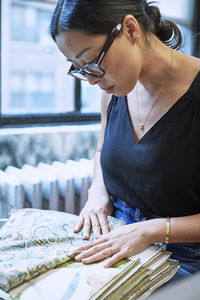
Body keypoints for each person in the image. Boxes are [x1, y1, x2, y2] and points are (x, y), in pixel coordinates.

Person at [50, 0, 200, 283]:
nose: (91, 80)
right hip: (119, 236)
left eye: (92, 62)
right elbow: (101, 150)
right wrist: (98, 193)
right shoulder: (113, 90)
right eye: (78, 69)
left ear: (130, 29)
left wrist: (150, 231)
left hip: (185, 257)